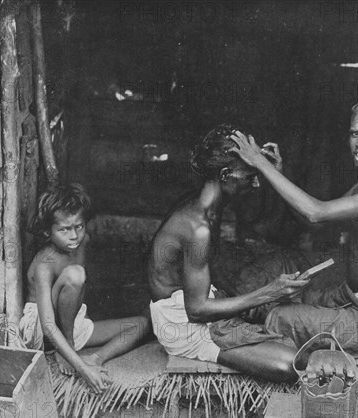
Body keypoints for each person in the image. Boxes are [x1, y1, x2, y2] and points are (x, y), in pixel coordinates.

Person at [229, 97, 358, 353]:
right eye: (354, 134)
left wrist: (260, 164)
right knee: (285, 295)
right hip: (355, 299)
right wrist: (279, 174)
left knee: (279, 317)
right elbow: (315, 223)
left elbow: (316, 212)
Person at [147, 124, 310, 383]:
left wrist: (271, 171)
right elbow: (197, 310)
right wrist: (270, 292)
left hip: (198, 302)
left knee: (290, 327)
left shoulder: (210, 201)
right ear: (225, 175)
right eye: (249, 177)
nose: (256, 184)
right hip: (183, 325)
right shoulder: (196, 226)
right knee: (291, 363)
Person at [19, 183, 150, 393]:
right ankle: (68, 350)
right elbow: (48, 326)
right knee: (75, 275)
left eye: (78, 226)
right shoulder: (45, 263)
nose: (74, 236)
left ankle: (96, 357)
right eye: (64, 229)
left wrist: (92, 361)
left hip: (71, 322)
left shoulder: (81, 243)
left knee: (141, 324)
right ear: (47, 231)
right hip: (41, 328)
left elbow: (75, 296)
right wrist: (82, 370)